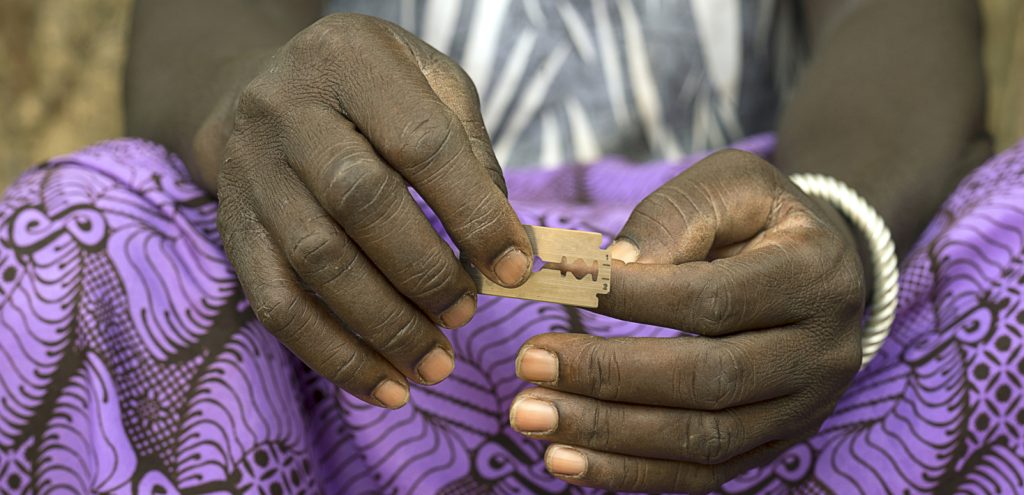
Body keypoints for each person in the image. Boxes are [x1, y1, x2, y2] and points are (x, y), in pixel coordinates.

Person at [1, 0, 1020, 493]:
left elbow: (899, 23)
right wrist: (257, 122)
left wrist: (835, 226)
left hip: (767, 326)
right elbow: (203, 28)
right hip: (359, 313)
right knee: (73, 230)